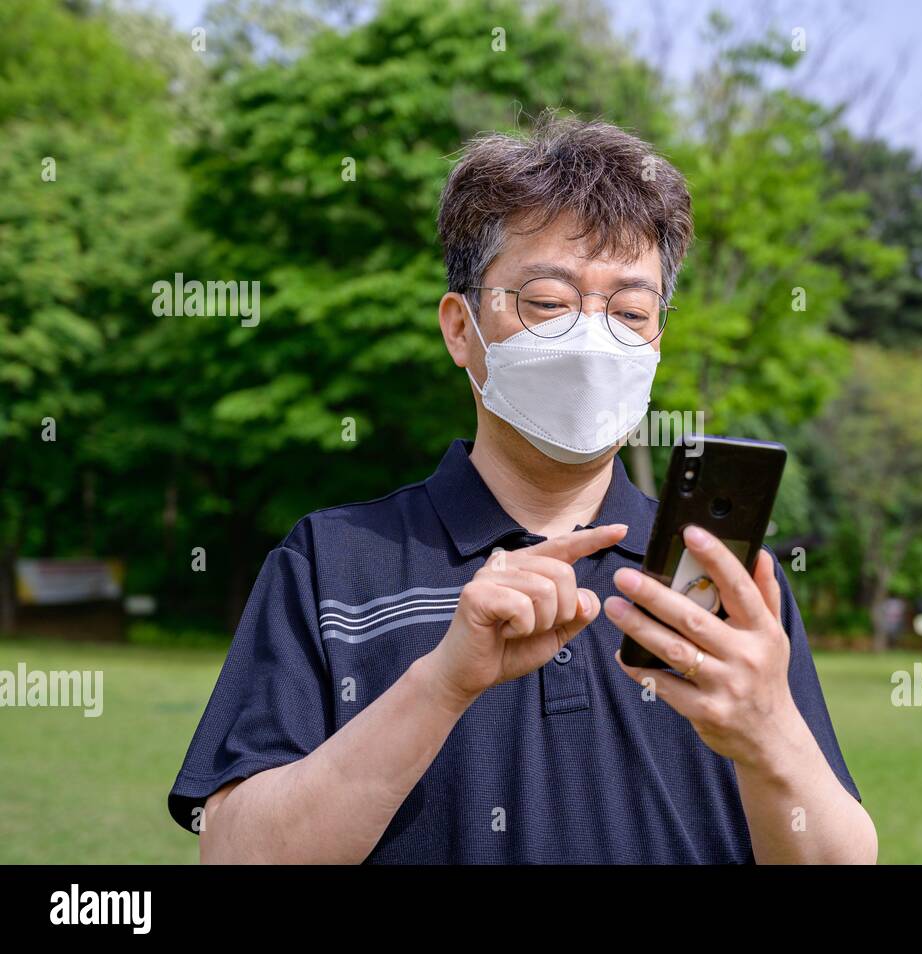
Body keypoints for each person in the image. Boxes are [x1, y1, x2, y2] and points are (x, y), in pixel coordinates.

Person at [166, 115, 877, 864]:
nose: (593, 339)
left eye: (632, 312)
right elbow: (236, 854)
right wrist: (441, 684)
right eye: (547, 301)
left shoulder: (720, 581)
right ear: (460, 328)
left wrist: (770, 735)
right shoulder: (331, 564)